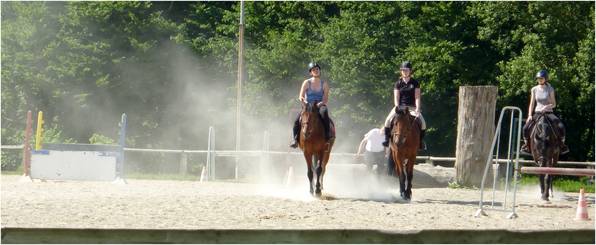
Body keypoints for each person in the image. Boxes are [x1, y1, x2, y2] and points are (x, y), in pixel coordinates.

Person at [521, 70, 569, 154]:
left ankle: (562, 146)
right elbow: (532, 103)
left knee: (561, 126)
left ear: (545, 79)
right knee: (525, 128)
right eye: (538, 78)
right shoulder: (534, 89)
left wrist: (547, 107)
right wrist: (529, 115)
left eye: (541, 78)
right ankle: (527, 146)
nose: (539, 80)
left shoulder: (550, 89)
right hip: (538, 112)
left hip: (548, 113)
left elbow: (554, 104)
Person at [381, 61, 426, 150]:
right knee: (387, 121)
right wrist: (397, 107)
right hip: (400, 107)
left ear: (410, 71)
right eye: (403, 70)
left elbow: (417, 97)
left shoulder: (415, 83)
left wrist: (417, 108)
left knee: (423, 123)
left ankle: (421, 142)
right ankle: (387, 140)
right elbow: (396, 97)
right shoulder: (398, 83)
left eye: (406, 70)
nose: (404, 72)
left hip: (412, 107)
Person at [290, 62, 333, 148]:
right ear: (311, 72)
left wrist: (321, 103)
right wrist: (305, 102)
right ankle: (295, 139)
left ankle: (327, 137)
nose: (316, 71)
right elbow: (300, 96)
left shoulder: (324, 84)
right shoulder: (306, 82)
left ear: (319, 71)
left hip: (319, 105)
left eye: (317, 69)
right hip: (308, 105)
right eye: (313, 70)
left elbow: (325, 98)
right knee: (297, 119)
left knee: (324, 113)